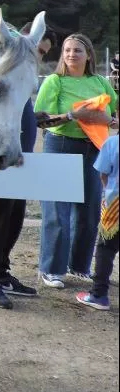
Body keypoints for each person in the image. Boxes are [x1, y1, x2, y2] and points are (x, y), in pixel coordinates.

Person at [0, 27, 56, 308]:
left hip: (21, 160)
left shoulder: (20, 82)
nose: (38, 57)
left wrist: (36, 118)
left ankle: (1, 272)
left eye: (43, 53)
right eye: (38, 51)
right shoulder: (2, 78)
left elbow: (20, 112)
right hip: (3, 159)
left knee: (14, 219)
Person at [34, 33, 119, 287]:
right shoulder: (54, 81)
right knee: (57, 212)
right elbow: (40, 120)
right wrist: (72, 115)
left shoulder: (100, 82)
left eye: (77, 51)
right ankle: (51, 269)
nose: (71, 54)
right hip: (60, 145)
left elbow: (112, 113)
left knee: (89, 211)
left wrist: (111, 121)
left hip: (94, 149)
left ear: (89, 55)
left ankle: (79, 266)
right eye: (68, 50)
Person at [76, 133, 118, 310]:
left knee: (105, 249)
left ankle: (99, 295)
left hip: (114, 205)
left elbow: (103, 174)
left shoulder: (112, 142)